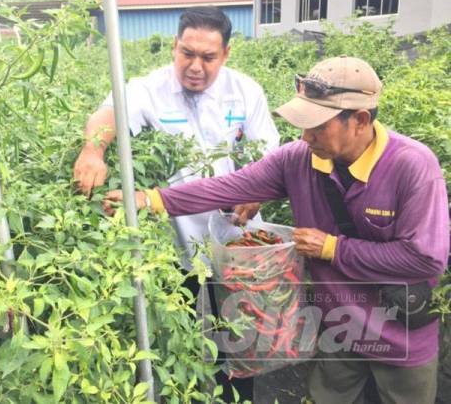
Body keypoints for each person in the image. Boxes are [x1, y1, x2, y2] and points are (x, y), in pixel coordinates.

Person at [104, 56, 449, 404]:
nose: (305, 136)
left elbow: (424, 259)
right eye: (302, 124)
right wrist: (151, 199)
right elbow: (231, 186)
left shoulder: (413, 166)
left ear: (359, 120)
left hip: (399, 337)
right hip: (339, 331)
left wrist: (332, 248)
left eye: (318, 126)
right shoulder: (297, 159)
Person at [74, 6, 279, 400]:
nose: (195, 66)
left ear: (227, 54)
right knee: (174, 326)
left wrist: (259, 191)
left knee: (235, 333)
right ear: (174, 47)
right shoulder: (149, 89)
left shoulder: (246, 91)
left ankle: (235, 396)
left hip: (234, 236)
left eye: (208, 57)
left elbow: (269, 156)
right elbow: (108, 113)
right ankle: (179, 391)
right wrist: (92, 149)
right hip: (172, 238)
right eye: (187, 53)